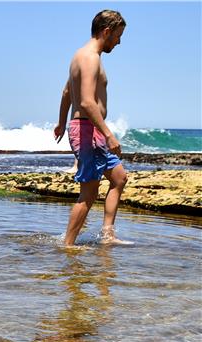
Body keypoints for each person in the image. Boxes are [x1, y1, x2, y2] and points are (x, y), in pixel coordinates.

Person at [54, 10, 128, 246]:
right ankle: (68, 245)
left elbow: (67, 92)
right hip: (88, 131)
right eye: (117, 36)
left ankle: (107, 236)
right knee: (89, 192)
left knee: (119, 178)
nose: (119, 42)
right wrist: (109, 134)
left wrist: (61, 122)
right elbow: (86, 101)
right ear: (106, 31)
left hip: (87, 128)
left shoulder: (81, 55)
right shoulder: (90, 58)